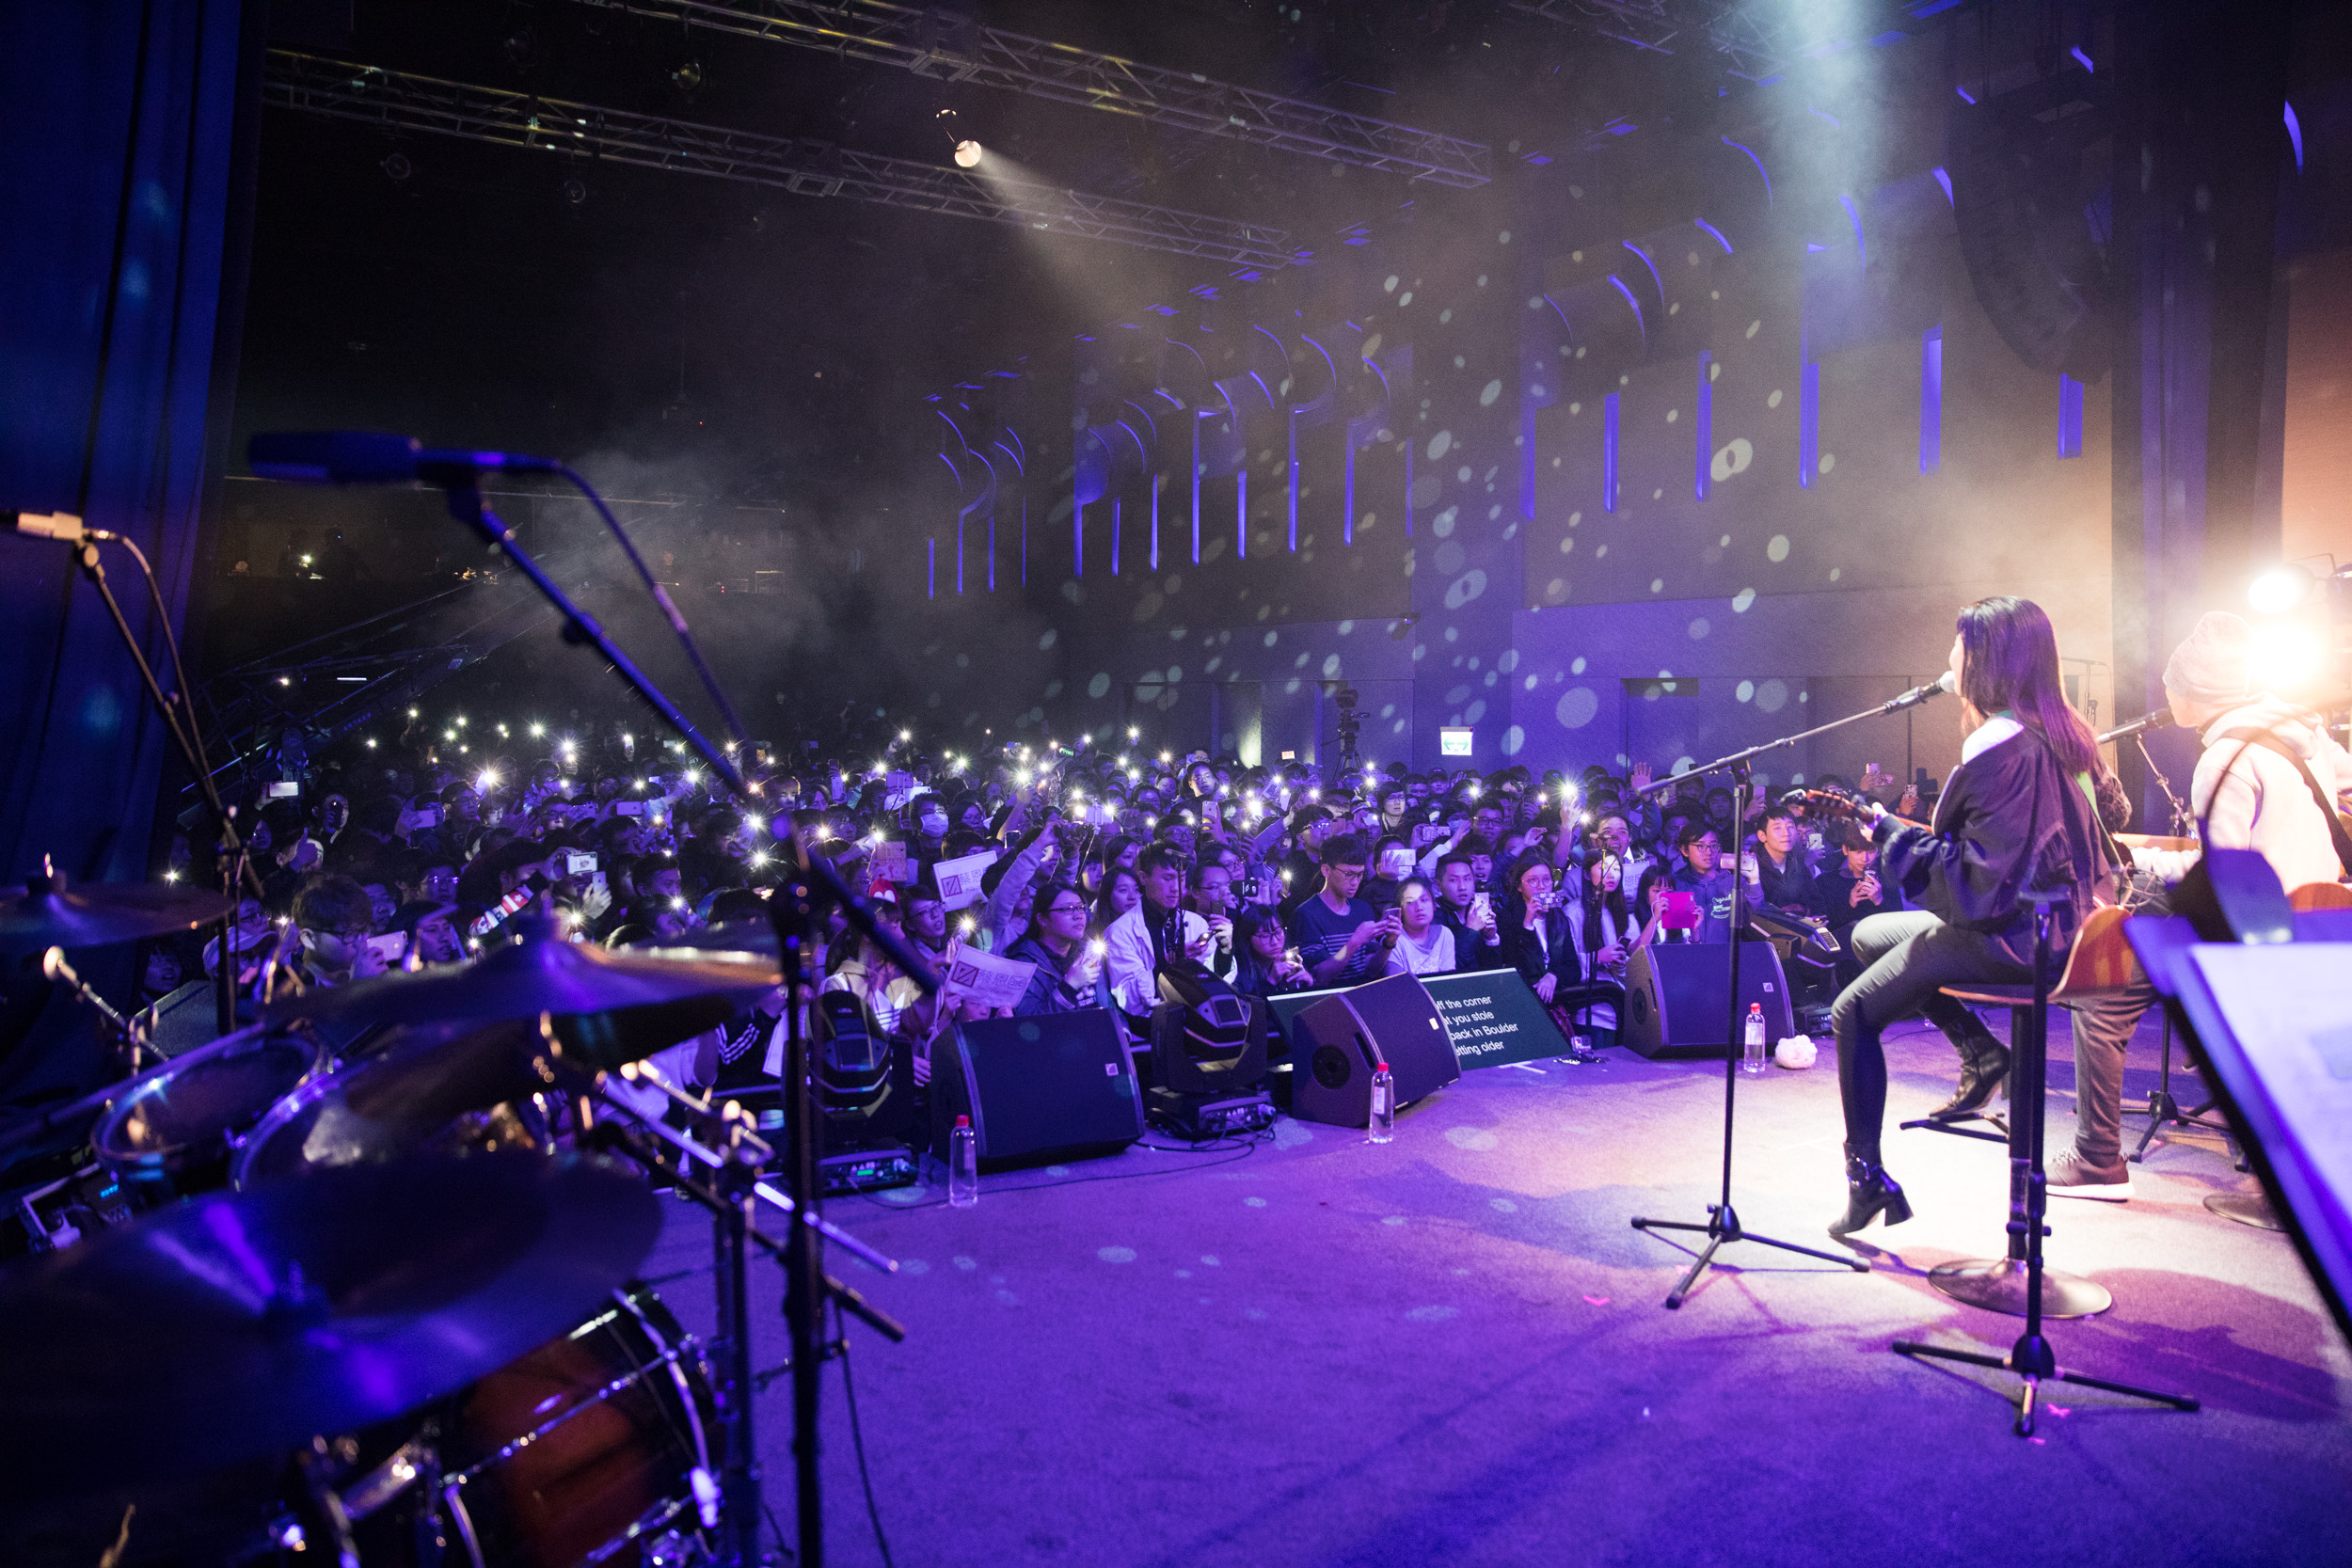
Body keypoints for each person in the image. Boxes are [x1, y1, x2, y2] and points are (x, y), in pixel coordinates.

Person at [1825, 596, 2117, 1237]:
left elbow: (1977, 882)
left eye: (1956, 646)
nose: (1947, 659)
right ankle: (1982, 1053)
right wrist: (1896, 830)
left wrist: (1891, 836)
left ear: (1982, 659)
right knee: (1871, 933)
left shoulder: (1997, 741)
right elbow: (2080, 831)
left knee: (1851, 1011)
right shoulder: (2062, 732)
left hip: (2011, 940)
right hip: (2066, 931)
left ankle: (1866, 1178)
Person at [2058, 611, 2352, 1201]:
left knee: (2103, 997)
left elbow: (2223, 879)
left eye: (2170, 682)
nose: (2164, 693)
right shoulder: (2306, 737)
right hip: (2320, 927)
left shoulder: (2223, 759)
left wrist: (2151, 863)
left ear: (2192, 692)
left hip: (2259, 942)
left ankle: (2097, 1163)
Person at [1102, 842, 1216, 1018]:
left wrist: (1226, 949)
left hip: (1199, 1019)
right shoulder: (1119, 931)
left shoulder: (1196, 923)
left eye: (1182, 877)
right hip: (1151, 1027)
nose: (1176, 888)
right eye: (1168, 878)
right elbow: (1127, 999)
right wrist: (1170, 962)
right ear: (1143, 877)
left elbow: (1220, 982)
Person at [1290, 832, 1396, 987]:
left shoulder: (1363, 909)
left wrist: (1388, 944)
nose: (1355, 882)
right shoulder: (1306, 915)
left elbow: (1371, 970)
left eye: (1360, 875)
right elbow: (1320, 977)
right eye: (1349, 874)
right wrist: (1355, 941)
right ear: (1326, 870)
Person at [1005, 882, 1106, 1015]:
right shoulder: (1022, 964)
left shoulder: (1086, 952)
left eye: (1081, 908)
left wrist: (1121, 1030)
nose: (1079, 915)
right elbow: (1030, 1023)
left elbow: (1108, 1005)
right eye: (1067, 909)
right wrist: (1069, 987)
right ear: (1042, 919)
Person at [1385, 877, 1456, 977]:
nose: (1419, 908)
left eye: (1424, 900)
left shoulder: (1444, 934)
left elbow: (1448, 981)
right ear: (1400, 910)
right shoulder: (1394, 939)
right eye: (1410, 902)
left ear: (1434, 905)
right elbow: (1396, 985)